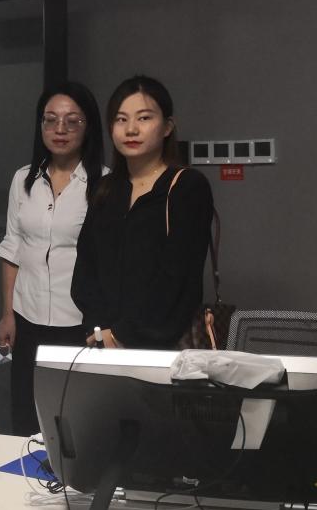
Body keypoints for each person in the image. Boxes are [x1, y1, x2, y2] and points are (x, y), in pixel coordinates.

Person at [0, 82, 105, 437]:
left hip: (80, 324)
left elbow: (110, 262)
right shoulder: (23, 180)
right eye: (50, 119)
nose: (60, 129)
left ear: (88, 127)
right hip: (28, 319)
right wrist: (8, 313)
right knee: (27, 414)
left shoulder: (105, 184)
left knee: (76, 420)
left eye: (72, 121)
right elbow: (13, 247)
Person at [71, 75, 213, 349]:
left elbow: (180, 278)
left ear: (167, 126)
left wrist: (123, 335)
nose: (131, 129)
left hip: (164, 345)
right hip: (103, 342)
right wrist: (100, 330)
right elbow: (86, 269)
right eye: (121, 119)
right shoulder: (105, 189)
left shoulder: (186, 187)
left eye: (144, 118)